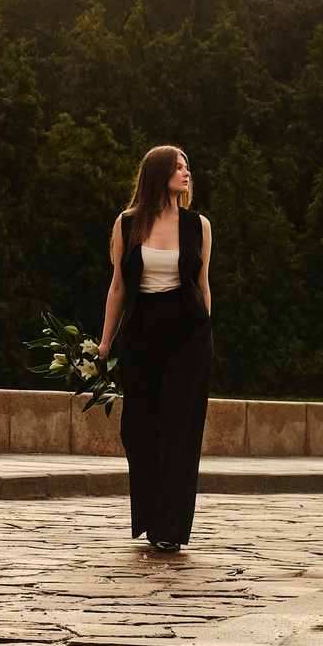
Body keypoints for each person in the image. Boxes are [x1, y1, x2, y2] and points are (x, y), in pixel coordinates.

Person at [97, 144, 213, 553]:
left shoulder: (198, 225)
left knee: (179, 430)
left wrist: (206, 333)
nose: (186, 173)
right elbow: (118, 286)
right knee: (138, 430)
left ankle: (171, 530)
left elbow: (203, 285)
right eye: (178, 167)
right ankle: (150, 517)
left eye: (187, 166)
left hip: (187, 335)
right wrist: (105, 343)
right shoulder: (127, 223)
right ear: (157, 174)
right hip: (142, 332)